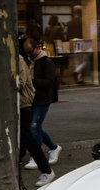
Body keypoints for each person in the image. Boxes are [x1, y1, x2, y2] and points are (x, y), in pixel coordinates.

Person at [23, 38, 62, 169]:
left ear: (37, 48)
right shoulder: (28, 61)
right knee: (35, 127)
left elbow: (50, 82)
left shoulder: (46, 62)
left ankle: (37, 156)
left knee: (34, 127)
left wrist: (31, 81)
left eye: (30, 52)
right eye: (26, 52)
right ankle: (53, 147)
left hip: (42, 99)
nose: (29, 55)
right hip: (31, 98)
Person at [18, 55, 55, 187]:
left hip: (23, 103)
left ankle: (46, 169)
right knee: (27, 134)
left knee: (30, 133)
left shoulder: (18, 60)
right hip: (17, 104)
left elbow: (20, 83)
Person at [66, 6, 86, 84]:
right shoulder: (83, 21)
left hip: (72, 41)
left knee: (77, 61)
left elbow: (68, 34)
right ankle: (77, 73)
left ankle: (78, 78)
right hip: (81, 40)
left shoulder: (70, 22)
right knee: (85, 60)